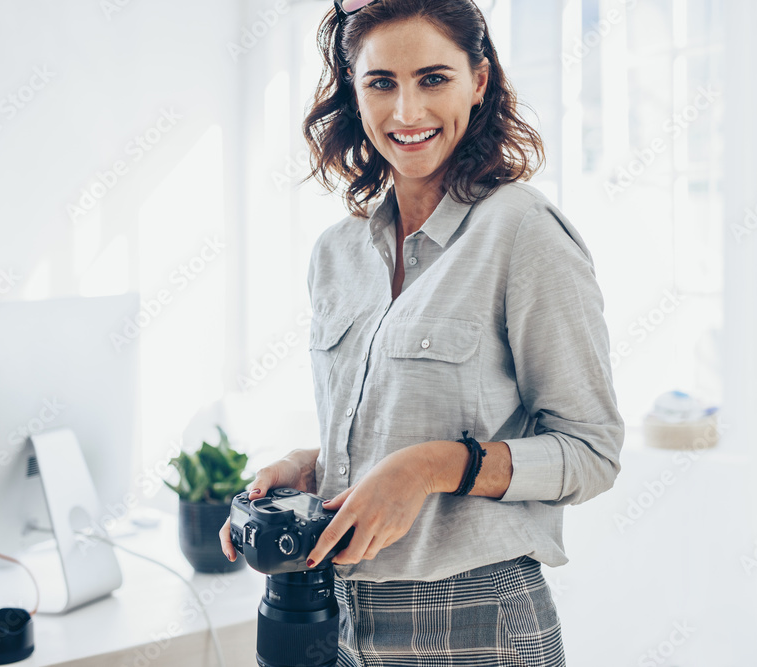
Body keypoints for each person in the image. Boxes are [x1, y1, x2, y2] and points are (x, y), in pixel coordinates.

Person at [220, 0, 625, 664]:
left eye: (433, 78)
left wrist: (432, 466)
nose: (406, 112)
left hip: (482, 622)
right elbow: (388, 424)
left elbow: (592, 452)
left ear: (480, 80)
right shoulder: (335, 254)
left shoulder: (521, 233)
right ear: (353, 89)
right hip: (341, 620)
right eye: (381, 83)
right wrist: (311, 464)